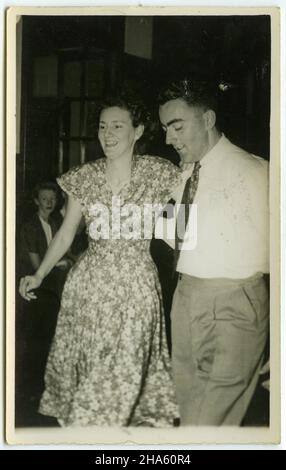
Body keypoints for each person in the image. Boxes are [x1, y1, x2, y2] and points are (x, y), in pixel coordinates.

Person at [19, 94, 182, 427]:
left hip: (137, 286)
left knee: (126, 369)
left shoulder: (160, 172)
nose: (108, 134)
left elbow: (180, 230)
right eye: (102, 126)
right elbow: (65, 234)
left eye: (117, 126)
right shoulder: (84, 177)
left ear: (137, 131)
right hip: (90, 287)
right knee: (94, 367)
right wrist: (39, 274)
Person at [157, 78, 269, 426]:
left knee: (209, 420)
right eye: (164, 129)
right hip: (186, 298)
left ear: (207, 119)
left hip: (235, 303)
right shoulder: (182, 175)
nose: (168, 139)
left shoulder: (255, 171)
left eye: (177, 127)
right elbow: (177, 239)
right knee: (189, 412)